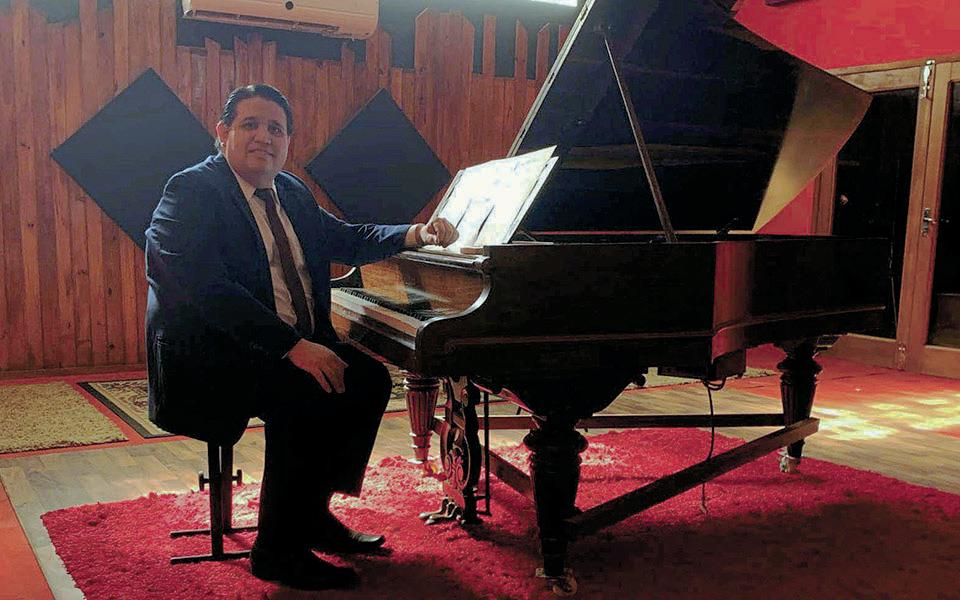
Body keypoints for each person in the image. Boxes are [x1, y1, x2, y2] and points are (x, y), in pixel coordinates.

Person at [144, 83, 458, 590]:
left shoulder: (291, 192)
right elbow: (204, 289)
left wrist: (415, 233)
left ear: (288, 141)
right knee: (306, 393)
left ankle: (312, 513)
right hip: (216, 354)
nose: (264, 137)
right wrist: (291, 346)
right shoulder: (191, 191)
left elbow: (347, 238)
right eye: (250, 125)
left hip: (282, 345)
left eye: (276, 128)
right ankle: (277, 552)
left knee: (369, 380)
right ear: (222, 132)